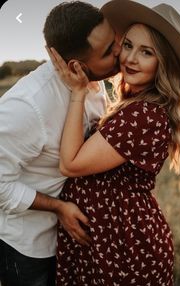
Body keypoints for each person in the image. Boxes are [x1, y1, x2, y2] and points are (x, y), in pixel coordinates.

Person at [48, 1, 180, 285]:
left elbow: (71, 164)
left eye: (146, 52)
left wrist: (78, 91)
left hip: (124, 246)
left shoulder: (144, 114)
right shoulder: (134, 104)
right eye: (127, 45)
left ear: (164, 63)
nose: (130, 59)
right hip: (108, 239)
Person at [0, 1, 121, 285]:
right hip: (29, 249)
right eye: (107, 52)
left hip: (71, 241)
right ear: (76, 66)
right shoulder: (27, 107)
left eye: (114, 41)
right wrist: (58, 207)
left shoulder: (93, 79)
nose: (119, 52)